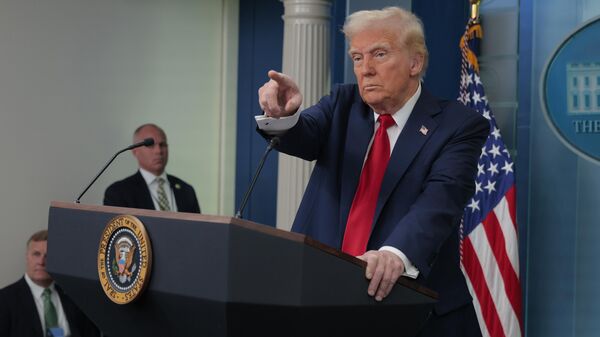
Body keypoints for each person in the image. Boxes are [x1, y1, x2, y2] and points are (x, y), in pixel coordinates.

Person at [257, 7, 489, 337]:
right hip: (324, 302)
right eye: (357, 57)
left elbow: (442, 199)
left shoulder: (457, 125)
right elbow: (303, 136)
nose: (365, 70)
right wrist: (282, 117)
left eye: (379, 54)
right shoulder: (342, 104)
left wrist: (394, 253)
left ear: (415, 63)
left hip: (415, 310)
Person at [0, 230, 100, 337]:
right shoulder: (4, 299)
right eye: (36, 254)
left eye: (48, 255)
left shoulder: (74, 297)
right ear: (27, 257)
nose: (41, 262)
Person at [103, 123, 201, 213]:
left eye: (162, 145)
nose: (158, 151)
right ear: (135, 151)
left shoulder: (186, 190)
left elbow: (198, 229)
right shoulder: (118, 192)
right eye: (151, 145)